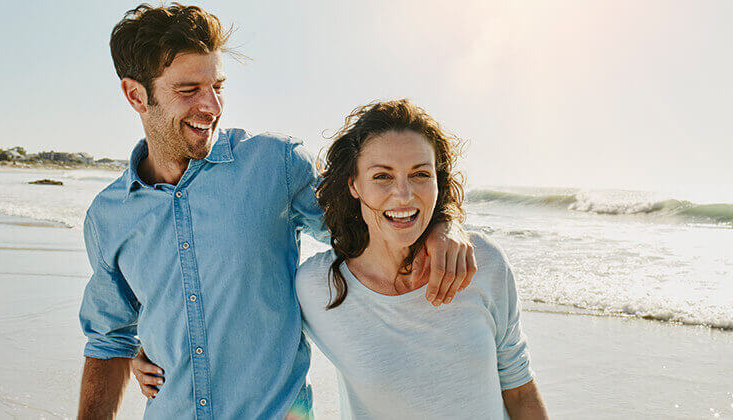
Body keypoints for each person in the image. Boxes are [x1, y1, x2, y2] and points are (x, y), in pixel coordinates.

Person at [77, 4, 476, 419]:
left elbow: (370, 223)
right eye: (188, 90)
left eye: (218, 86)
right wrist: (157, 339)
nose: (211, 105)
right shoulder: (109, 217)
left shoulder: (276, 164)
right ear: (136, 95)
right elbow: (108, 340)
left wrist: (444, 222)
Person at [134, 99, 548, 419]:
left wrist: (448, 224)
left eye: (421, 174)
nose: (403, 195)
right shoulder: (319, 289)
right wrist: (158, 345)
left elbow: (519, 387)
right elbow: (241, 326)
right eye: (382, 176)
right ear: (353, 185)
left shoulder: (482, 265)